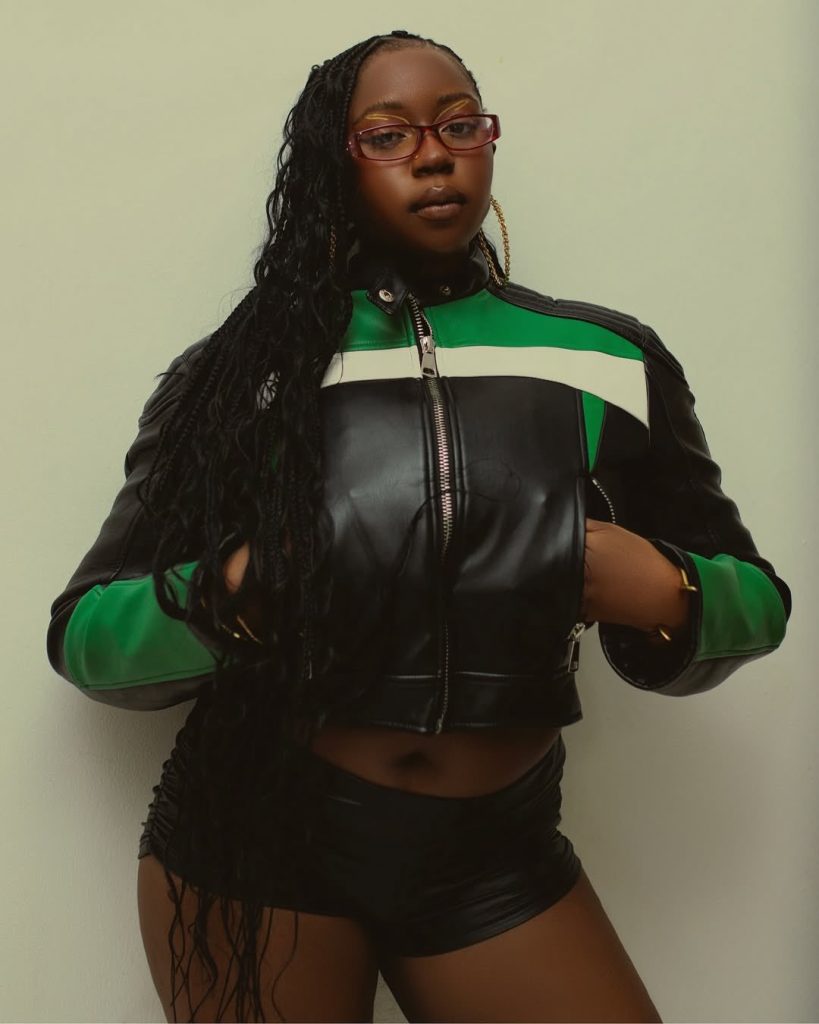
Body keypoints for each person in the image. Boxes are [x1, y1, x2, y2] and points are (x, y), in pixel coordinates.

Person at [46, 29, 791, 1024]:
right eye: (388, 135)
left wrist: (660, 586)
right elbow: (89, 638)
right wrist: (248, 584)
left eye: (458, 126)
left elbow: (757, 602)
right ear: (335, 162)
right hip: (261, 835)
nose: (434, 157)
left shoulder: (604, 358)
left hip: (493, 850)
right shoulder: (239, 373)